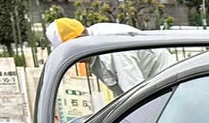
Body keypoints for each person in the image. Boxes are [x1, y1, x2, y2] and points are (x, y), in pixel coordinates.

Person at [45, 17, 173, 96]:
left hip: (166, 84)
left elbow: (135, 92)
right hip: (154, 85)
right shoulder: (94, 45)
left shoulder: (113, 49)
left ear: (79, 40)